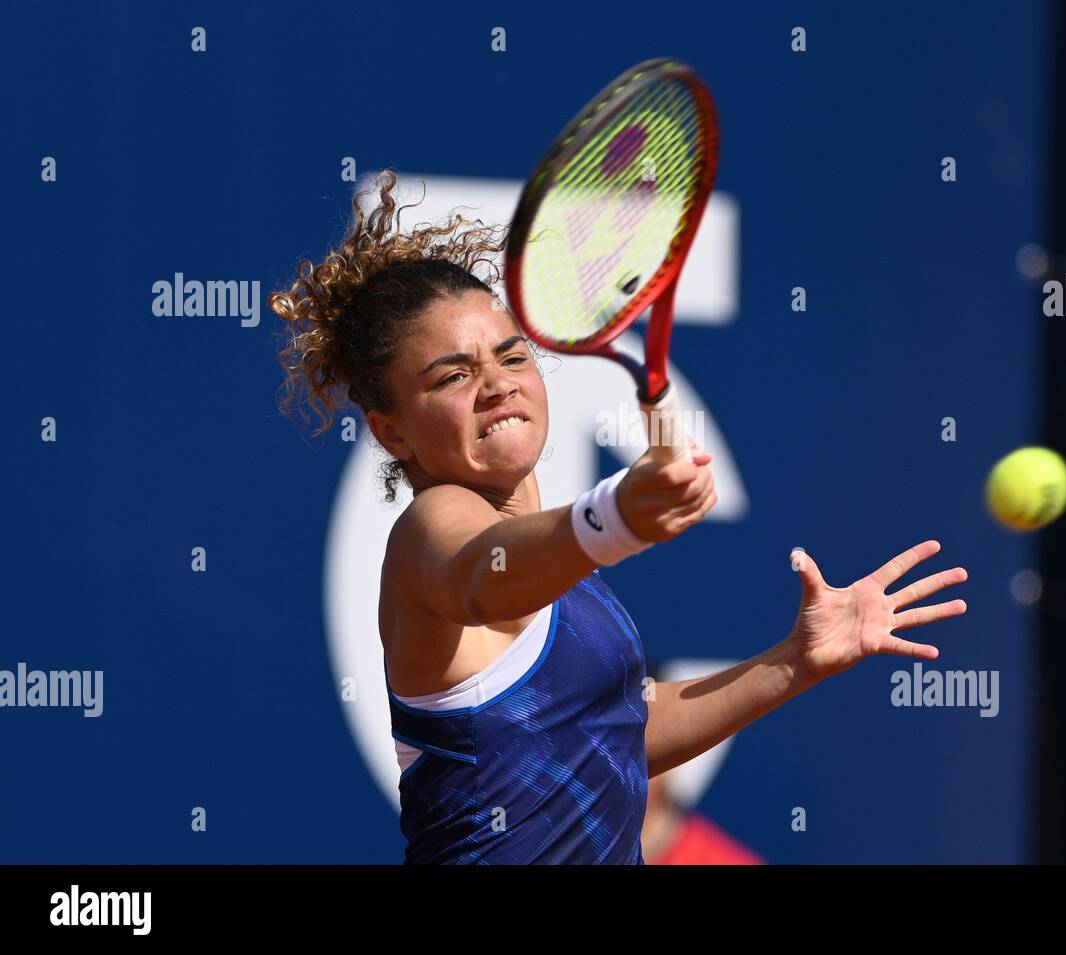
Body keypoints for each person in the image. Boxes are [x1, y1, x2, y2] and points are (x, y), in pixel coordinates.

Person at [271, 169, 969, 864]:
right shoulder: (432, 529)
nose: (497, 383)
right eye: (453, 375)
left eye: (512, 355)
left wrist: (795, 661)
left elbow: (617, 734)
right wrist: (615, 516)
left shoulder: (566, 577)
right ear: (392, 432)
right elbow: (486, 574)